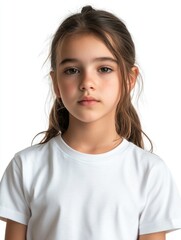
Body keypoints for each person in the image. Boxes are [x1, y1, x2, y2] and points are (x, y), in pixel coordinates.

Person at [0, 5, 181, 240]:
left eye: (104, 68)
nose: (87, 82)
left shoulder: (150, 173)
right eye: (72, 70)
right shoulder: (26, 167)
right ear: (56, 83)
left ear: (129, 79)